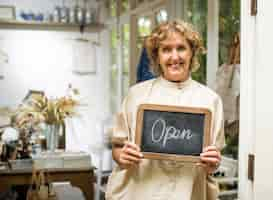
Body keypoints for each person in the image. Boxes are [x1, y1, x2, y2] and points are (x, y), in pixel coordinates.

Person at [106, 20, 225, 200]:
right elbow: (118, 147)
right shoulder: (136, 95)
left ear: (192, 52)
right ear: (157, 56)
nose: (175, 57)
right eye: (166, 49)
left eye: (181, 48)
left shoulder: (210, 100)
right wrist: (121, 156)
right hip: (140, 192)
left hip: (189, 193)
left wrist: (212, 164)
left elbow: (213, 159)